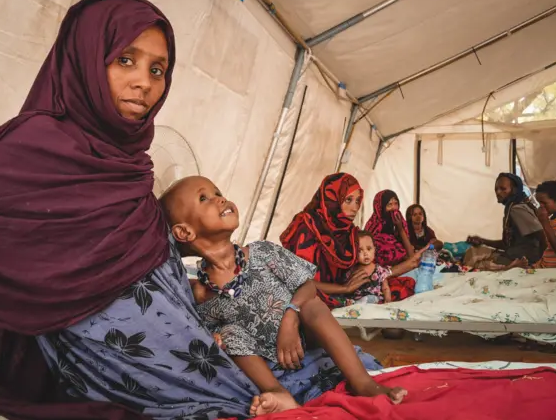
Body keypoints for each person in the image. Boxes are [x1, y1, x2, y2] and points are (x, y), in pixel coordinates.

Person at [0, 0, 268, 419]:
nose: (144, 82)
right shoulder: (32, 147)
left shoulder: (133, 166)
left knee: (259, 400)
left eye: (157, 70)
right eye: (125, 60)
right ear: (85, 57)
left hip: (182, 356)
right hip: (94, 370)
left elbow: (155, 276)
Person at [160, 176, 407, 417]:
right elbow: (202, 334)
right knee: (229, 332)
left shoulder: (262, 252)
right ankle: (278, 394)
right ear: (184, 232)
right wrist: (215, 338)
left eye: (217, 192)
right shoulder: (200, 292)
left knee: (311, 305)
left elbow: (308, 286)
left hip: (302, 342)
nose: (220, 199)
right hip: (267, 365)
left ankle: (363, 383)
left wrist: (291, 314)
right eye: (204, 198)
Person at [280, 174, 418, 309]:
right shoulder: (308, 227)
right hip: (310, 295)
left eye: (357, 201)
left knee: (401, 290)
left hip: (345, 291)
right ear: (332, 199)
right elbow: (301, 282)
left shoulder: (348, 231)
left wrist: (409, 264)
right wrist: (344, 288)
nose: (355, 208)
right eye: (348, 200)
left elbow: (363, 270)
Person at [465, 173, 544, 270]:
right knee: (474, 252)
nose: (498, 192)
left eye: (503, 189)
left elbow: (541, 235)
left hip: (523, 260)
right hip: (515, 255)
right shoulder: (513, 206)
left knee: (475, 262)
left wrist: (542, 263)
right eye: (496, 189)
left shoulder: (517, 209)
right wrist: (482, 241)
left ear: (514, 190)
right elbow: (507, 245)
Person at [347, 231, 427, 305]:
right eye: (359, 251)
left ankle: (359, 303)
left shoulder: (379, 270)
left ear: (374, 249)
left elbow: (385, 288)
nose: (365, 254)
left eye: (369, 249)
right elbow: (348, 287)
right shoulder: (352, 270)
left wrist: (387, 301)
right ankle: (355, 303)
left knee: (373, 298)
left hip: (373, 299)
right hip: (356, 298)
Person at [365, 190, 415, 267]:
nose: (394, 208)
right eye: (389, 204)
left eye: (396, 204)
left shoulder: (399, 225)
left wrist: (400, 228)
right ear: (380, 208)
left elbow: (410, 255)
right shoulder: (373, 228)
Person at [533, 180, 556, 269]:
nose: (540, 207)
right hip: (544, 266)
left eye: (544, 203)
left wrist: (545, 222)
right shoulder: (552, 220)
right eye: (539, 203)